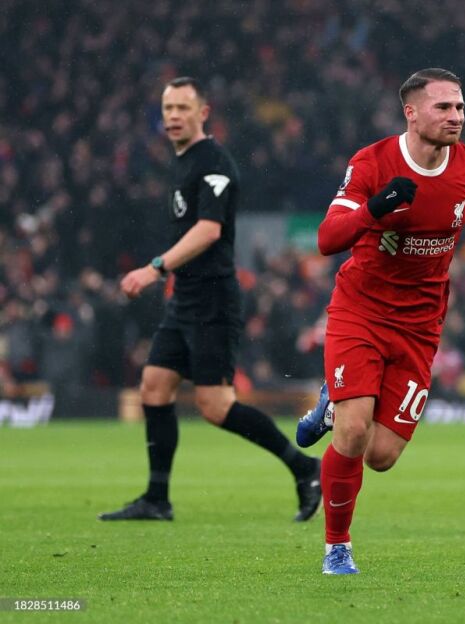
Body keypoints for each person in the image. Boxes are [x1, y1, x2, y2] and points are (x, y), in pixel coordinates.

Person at [296, 68, 465, 574]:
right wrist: (376, 207)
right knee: (353, 432)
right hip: (360, 312)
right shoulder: (372, 162)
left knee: (381, 456)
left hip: (420, 325)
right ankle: (337, 547)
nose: (457, 117)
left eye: (460, 107)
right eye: (444, 107)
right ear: (411, 113)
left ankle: (332, 404)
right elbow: (327, 239)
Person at [99, 77, 321, 522]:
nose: (174, 116)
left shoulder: (214, 162)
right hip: (185, 298)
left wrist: (154, 268)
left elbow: (209, 230)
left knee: (215, 406)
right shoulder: (181, 162)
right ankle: (157, 499)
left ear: (203, 113)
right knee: (153, 386)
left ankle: (305, 468)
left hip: (213, 299)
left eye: (183, 107)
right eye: (168, 108)